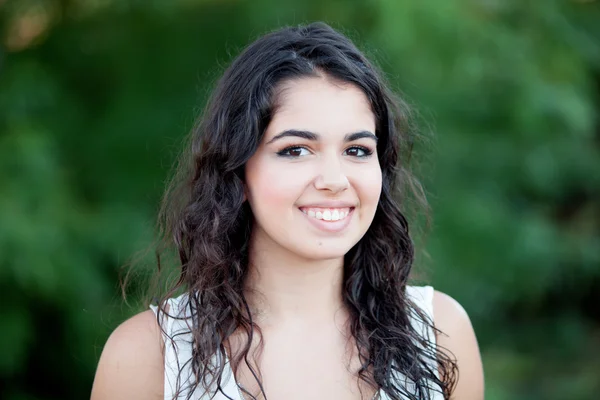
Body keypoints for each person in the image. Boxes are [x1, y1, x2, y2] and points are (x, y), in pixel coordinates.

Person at [90, 22, 484, 400]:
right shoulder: (148, 356)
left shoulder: (438, 332)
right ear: (238, 172)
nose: (335, 179)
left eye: (357, 150)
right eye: (295, 150)